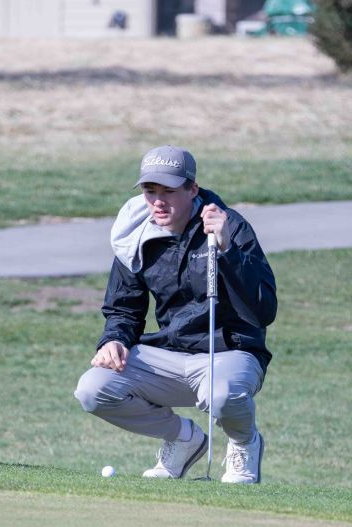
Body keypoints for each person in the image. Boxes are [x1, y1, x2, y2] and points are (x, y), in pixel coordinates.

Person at [74, 146, 277, 483]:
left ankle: (244, 443)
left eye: (169, 191)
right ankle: (184, 439)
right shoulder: (136, 233)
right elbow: (124, 308)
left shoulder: (230, 226)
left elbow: (263, 311)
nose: (158, 201)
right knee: (93, 389)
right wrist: (114, 340)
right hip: (169, 354)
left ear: (192, 189)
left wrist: (227, 251)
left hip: (229, 352)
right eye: (150, 191)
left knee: (222, 395)